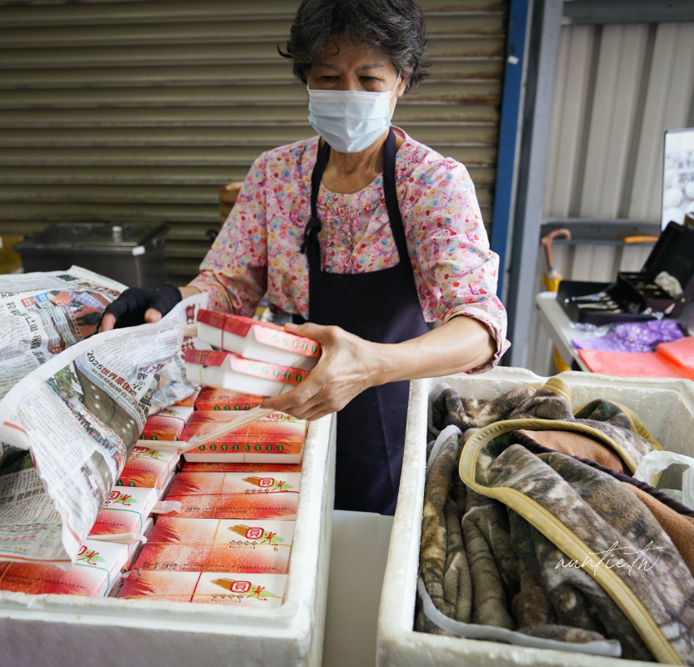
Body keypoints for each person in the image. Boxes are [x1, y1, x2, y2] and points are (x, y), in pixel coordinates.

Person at [100, 0, 509, 515]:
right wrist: (170, 299)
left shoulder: (432, 183)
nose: (349, 94)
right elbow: (230, 284)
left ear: (400, 81)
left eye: (368, 78)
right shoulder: (277, 174)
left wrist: (374, 364)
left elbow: (478, 328)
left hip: (389, 408)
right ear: (307, 82)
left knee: (368, 542)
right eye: (329, 77)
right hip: (286, 404)